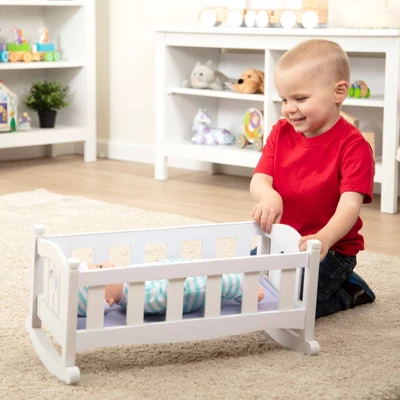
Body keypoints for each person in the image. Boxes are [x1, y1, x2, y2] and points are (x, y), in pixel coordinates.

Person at [250, 39, 375, 319]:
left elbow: (349, 206)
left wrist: (324, 238)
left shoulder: (354, 147)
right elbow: (259, 178)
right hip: (281, 240)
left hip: (330, 249)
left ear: (338, 92)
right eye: (284, 99)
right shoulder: (280, 132)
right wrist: (269, 195)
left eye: (300, 99)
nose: (288, 108)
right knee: (243, 280)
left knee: (291, 303)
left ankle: (349, 290)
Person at [77, 260, 265, 317]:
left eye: (99, 264)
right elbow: (160, 299)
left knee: (207, 268)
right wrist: (175, 282)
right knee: (215, 283)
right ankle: (243, 291)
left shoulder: (128, 280)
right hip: (185, 291)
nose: (106, 263)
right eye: (101, 268)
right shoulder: (134, 298)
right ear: (108, 300)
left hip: (178, 274)